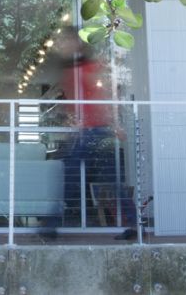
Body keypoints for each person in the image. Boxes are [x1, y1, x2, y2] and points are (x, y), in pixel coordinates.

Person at [39, 29, 137, 241]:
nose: (61, 46)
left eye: (64, 41)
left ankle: (52, 225)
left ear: (75, 43)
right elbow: (78, 102)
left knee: (75, 178)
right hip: (88, 131)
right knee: (98, 179)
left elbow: (103, 96)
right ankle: (134, 224)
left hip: (96, 131)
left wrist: (114, 123)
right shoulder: (71, 70)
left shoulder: (89, 67)